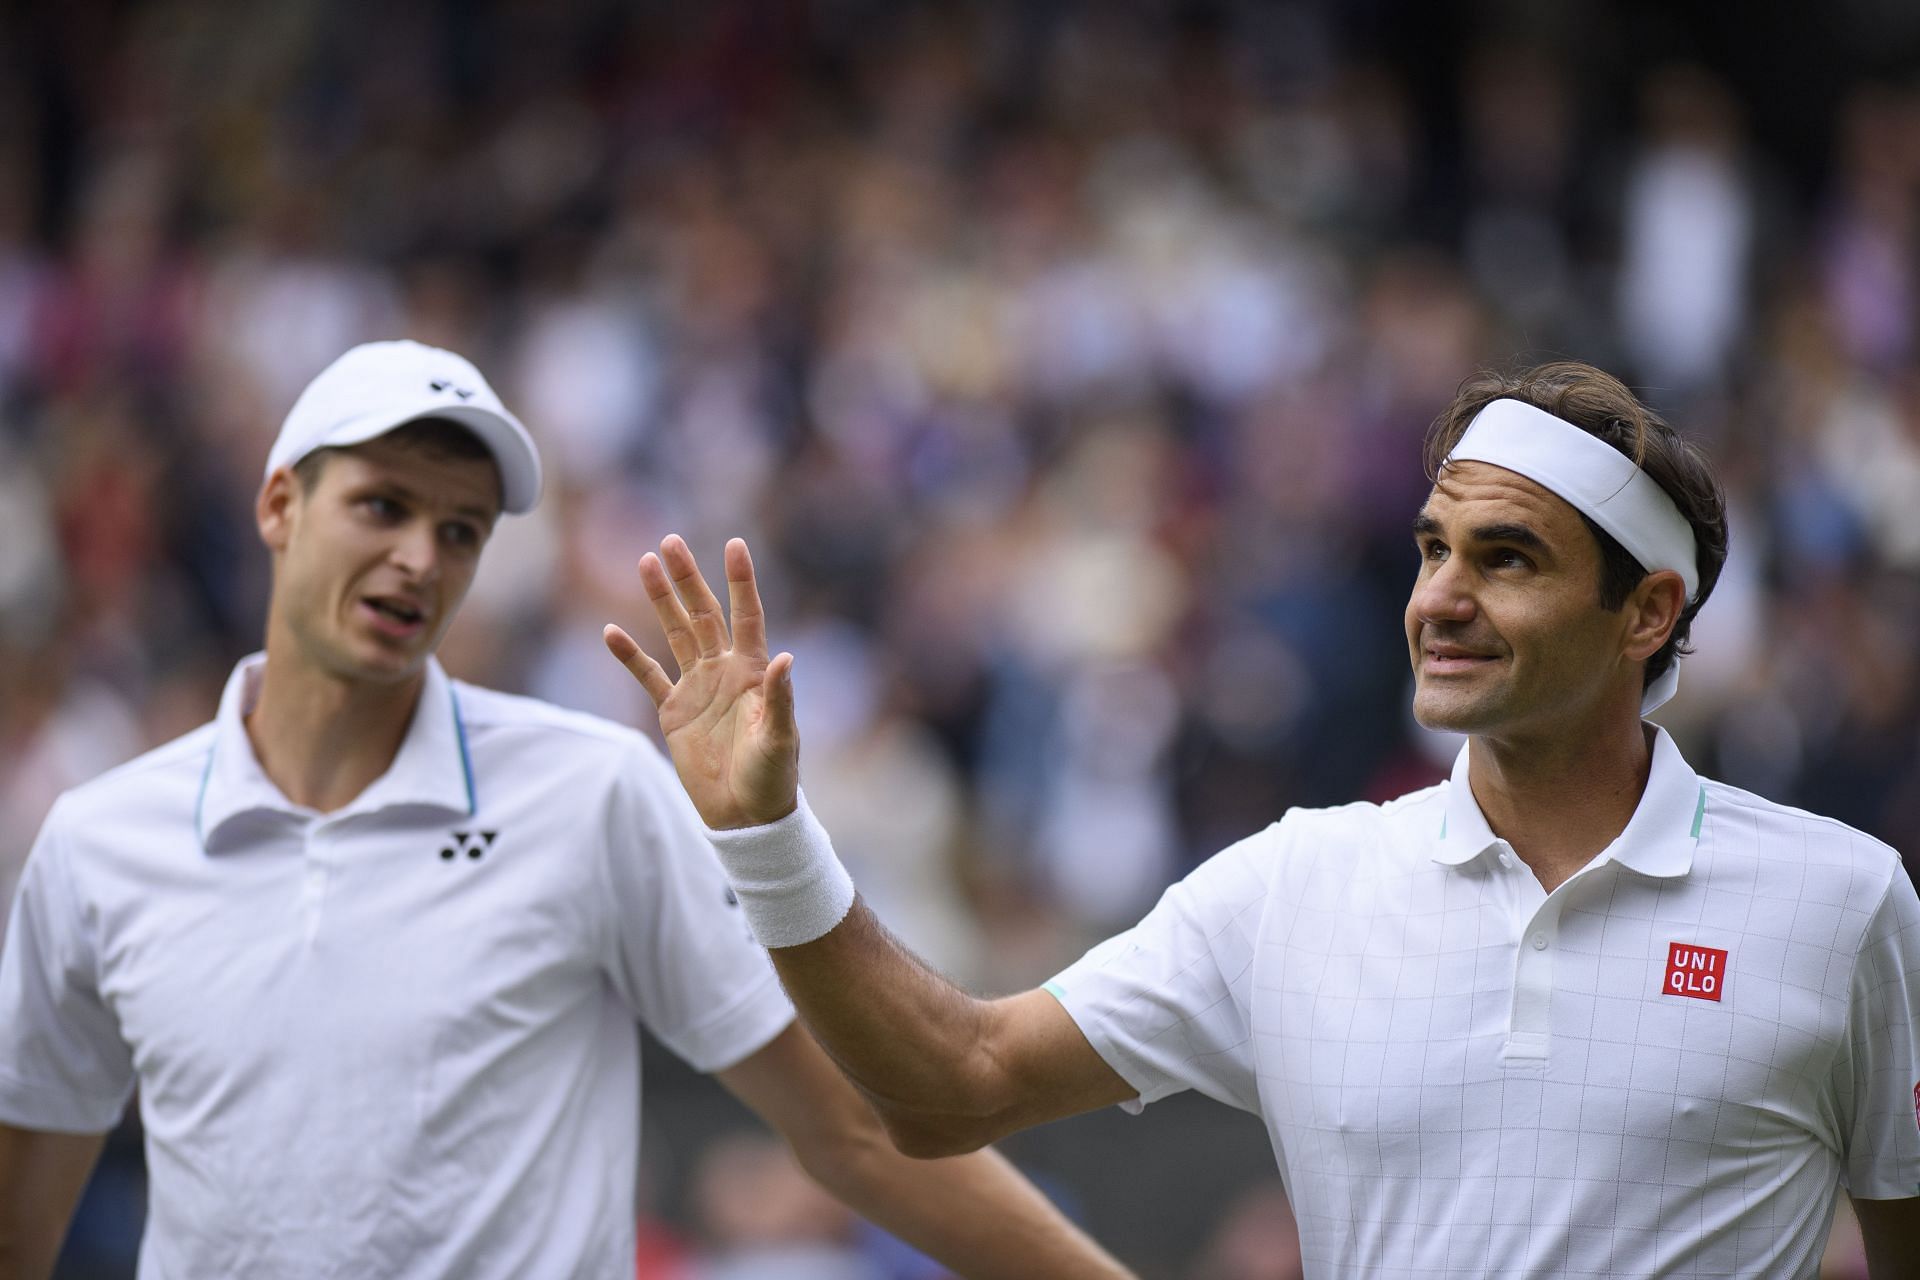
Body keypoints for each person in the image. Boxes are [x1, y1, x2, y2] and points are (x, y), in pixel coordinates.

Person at [606, 361, 1920, 1278]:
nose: (1441, 598)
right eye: (1431, 549)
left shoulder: (1845, 903)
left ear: (1646, 614)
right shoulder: (1302, 880)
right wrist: (767, 838)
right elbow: (953, 1087)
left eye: (1506, 557)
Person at [0, 340, 1132, 1280]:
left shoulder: (593, 792)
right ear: (278, 503)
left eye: (461, 529)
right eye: (382, 505)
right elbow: (23, 1208)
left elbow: (847, 1129)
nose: (420, 558)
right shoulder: (100, 841)